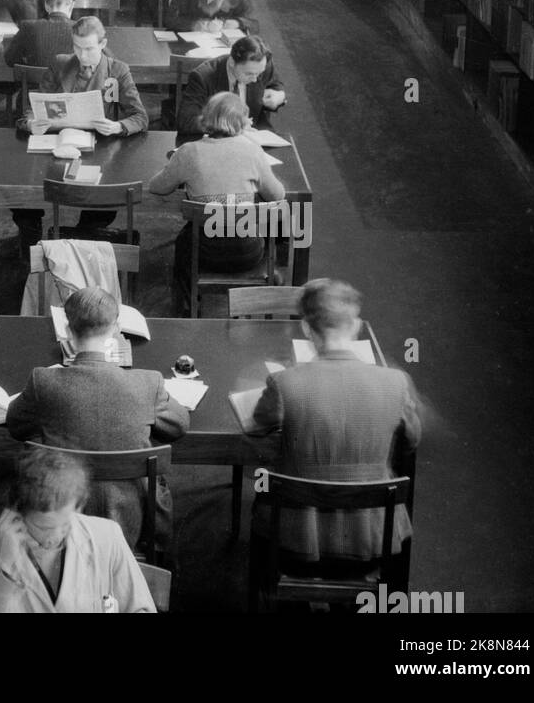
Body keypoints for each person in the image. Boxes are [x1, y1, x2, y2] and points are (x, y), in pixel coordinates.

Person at [249, 278, 421, 572]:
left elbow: (258, 421)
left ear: (306, 328)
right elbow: (413, 439)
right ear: (354, 326)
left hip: (294, 544)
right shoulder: (396, 383)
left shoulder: (285, 382)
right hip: (373, 542)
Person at [5, 287, 188, 552]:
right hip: (132, 518)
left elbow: (16, 425)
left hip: (60, 513)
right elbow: (180, 425)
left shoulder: (43, 381)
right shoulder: (148, 383)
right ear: (116, 330)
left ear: (67, 330)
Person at [0, 446, 155, 613]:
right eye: (43, 527)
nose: (55, 537)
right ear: (17, 511)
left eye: (65, 524)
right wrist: (2, 571)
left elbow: (141, 608)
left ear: (79, 505)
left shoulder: (107, 535)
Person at [150, 91, 287, 303]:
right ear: (241, 122)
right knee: (280, 227)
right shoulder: (252, 150)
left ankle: (186, 304)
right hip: (249, 251)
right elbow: (278, 195)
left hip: (204, 252)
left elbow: (157, 187)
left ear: (206, 118)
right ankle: (271, 286)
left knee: (183, 241)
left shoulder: (188, 152)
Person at [21, 16, 148, 138]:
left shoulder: (118, 70)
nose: (82, 55)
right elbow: (33, 110)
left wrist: (118, 127)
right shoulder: (59, 64)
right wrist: (31, 124)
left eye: (89, 49)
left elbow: (140, 117)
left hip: (101, 141)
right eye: (77, 47)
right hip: (61, 138)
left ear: (103, 44)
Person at [174, 35, 287, 143]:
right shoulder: (203, 77)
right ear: (232, 62)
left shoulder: (262, 66)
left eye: (259, 74)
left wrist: (279, 96)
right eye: (249, 74)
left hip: (256, 137)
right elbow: (186, 121)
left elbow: (275, 85)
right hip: (217, 142)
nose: (255, 80)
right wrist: (232, 124)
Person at [4, 0, 76, 71]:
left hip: (32, 84)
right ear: (72, 6)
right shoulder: (79, 29)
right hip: (68, 84)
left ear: (46, 5)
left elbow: (10, 59)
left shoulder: (28, 27)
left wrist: (29, 66)